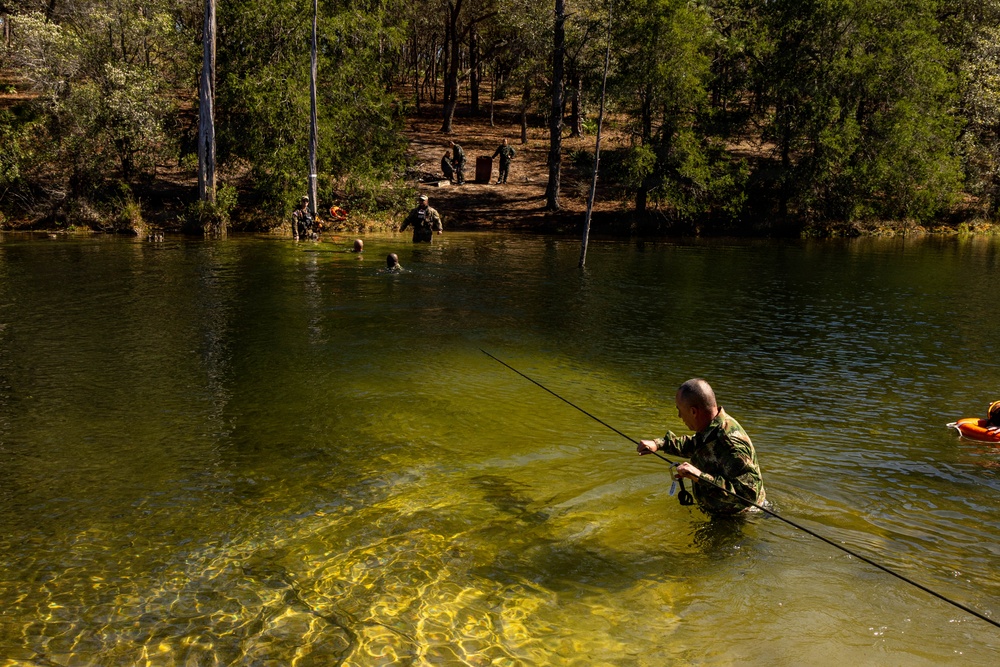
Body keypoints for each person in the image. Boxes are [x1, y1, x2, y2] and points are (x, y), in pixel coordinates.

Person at [637, 378, 766, 517]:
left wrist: (699, 476)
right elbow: (694, 444)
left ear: (693, 412)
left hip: (739, 519)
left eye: (680, 410)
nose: (679, 416)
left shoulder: (730, 442)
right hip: (720, 514)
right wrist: (659, 444)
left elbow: (748, 496)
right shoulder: (711, 427)